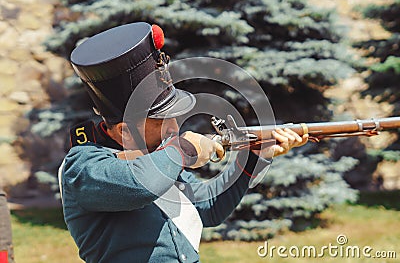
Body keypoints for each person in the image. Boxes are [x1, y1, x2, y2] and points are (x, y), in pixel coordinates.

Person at [59, 22, 308, 263]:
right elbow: (141, 184)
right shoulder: (83, 165)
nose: (175, 129)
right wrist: (185, 150)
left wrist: (256, 154)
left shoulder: (158, 156)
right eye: (163, 121)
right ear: (125, 132)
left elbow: (209, 208)